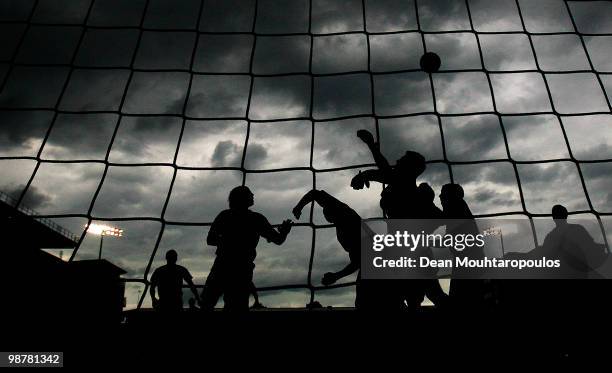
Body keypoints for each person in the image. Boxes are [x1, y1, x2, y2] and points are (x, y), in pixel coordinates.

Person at [351, 129, 448, 310]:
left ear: (409, 169)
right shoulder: (403, 186)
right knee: (424, 295)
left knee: (423, 296)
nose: (397, 162)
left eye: (401, 161)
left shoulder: (406, 186)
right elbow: (384, 174)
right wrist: (364, 175)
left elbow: (386, 172)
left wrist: (372, 146)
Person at [201, 186, 292, 312]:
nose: (253, 195)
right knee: (233, 307)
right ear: (242, 198)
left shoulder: (225, 215)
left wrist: (228, 241)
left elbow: (210, 239)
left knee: (207, 303)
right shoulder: (256, 219)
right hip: (240, 268)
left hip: (223, 265)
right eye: (250, 193)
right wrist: (284, 232)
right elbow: (278, 240)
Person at [292, 189, 370, 307]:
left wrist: (298, 207)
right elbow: (358, 261)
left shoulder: (345, 214)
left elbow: (315, 193)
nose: (326, 216)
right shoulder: (342, 225)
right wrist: (336, 276)